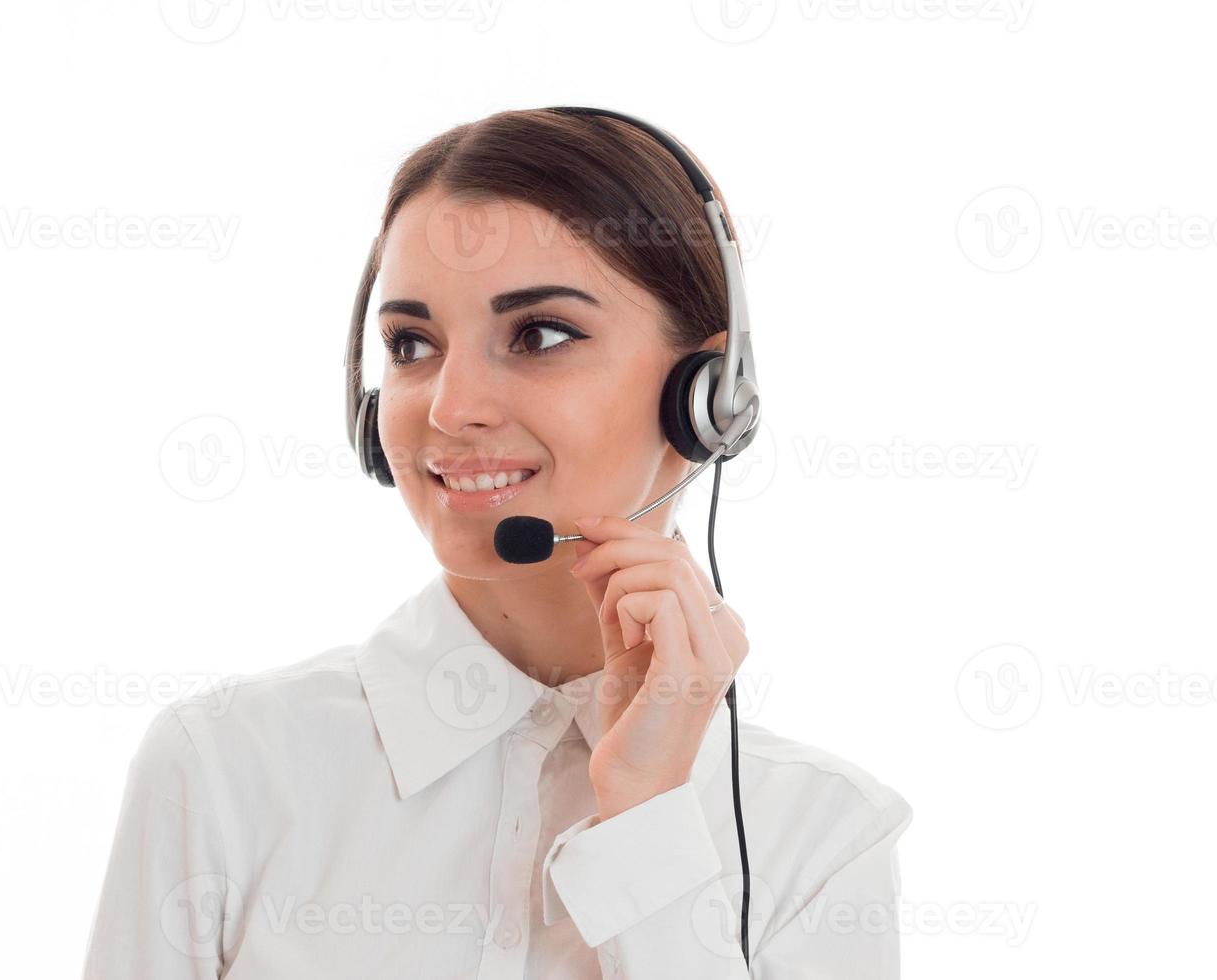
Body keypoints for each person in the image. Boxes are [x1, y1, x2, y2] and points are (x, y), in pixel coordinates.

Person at [82, 107, 912, 978]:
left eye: (540, 335)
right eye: (412, 345)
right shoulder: (225, 769)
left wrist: (650, 824)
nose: (449, 407)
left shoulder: (822, 835)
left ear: (708, 396)